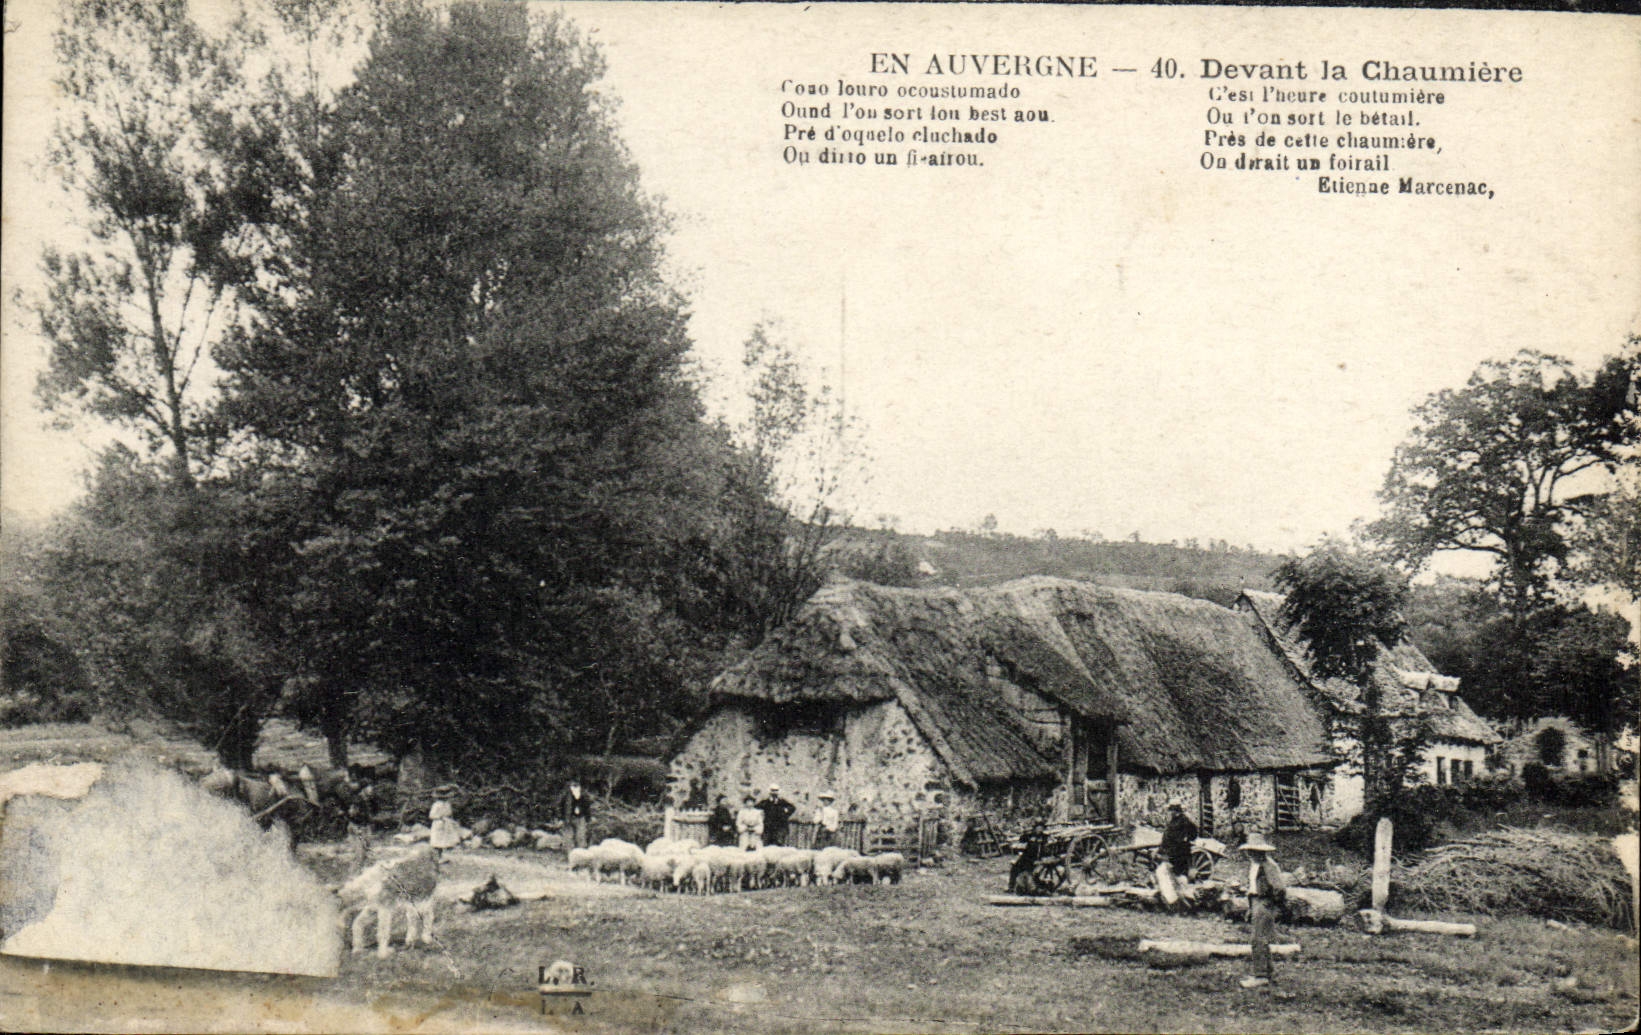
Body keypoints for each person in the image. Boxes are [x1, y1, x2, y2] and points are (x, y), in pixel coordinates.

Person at [1238, 831, 1287, 990]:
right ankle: (1268, 972)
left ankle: (1260, 976)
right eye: (1249, 850)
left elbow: (1279, 888)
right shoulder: (1255, 865)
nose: (1250, 854)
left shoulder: (1269, 866)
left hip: (1264, 902)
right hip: (1256, 901)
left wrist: (1271, 904)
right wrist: (1251, 907)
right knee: (1261, 939)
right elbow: (1253, 888)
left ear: (1261, 851)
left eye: (1254, 851)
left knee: (1258, 939)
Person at [1159, 797, 1198, 883]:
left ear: (1176, 810)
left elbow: (1194, 831)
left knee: (1179, 873)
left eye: (1172, 810)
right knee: (1173, 872)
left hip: (1180, 852)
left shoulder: (1184, 820)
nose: (1170, 812)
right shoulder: (1173, 820)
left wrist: (1187, 839)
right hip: (1172, 850)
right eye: (1170, 810)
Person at [559, 777, 592, 850]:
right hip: (569, 818)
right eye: (572, 786)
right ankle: (570, 854)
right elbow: (561, 807)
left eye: (576, 786)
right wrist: (561, 818)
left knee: (580, 836)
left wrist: (588, 819)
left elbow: (587, 808)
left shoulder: (584, 796)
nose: (574, 788)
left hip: (580, 818)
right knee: (568, 837)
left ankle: (581, 853)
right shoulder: (566, 796)